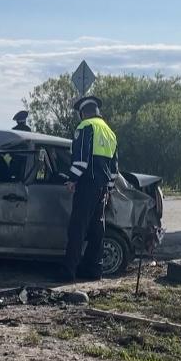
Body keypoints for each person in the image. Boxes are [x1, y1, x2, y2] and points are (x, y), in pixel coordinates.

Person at [60, 96, 118, 282]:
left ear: (83, 113)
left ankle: (68, 272)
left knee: (77, 228)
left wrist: (71, 179)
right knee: (96, 230)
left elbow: (81, 158)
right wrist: (108, 188)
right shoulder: (110, 132)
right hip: (102, 188)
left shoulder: (85, 127)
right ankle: (94, 270)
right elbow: (114, 167)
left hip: (86, 185)